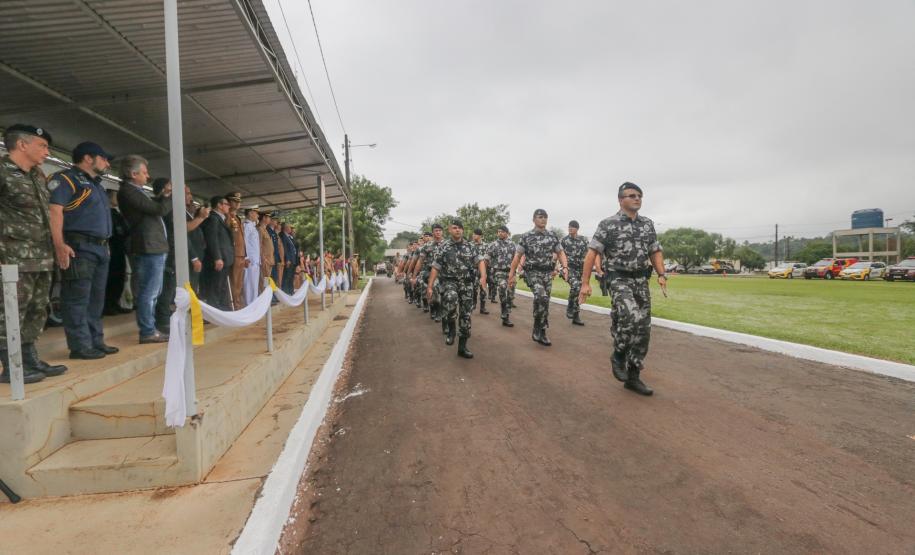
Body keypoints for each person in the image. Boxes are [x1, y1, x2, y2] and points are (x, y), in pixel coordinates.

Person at [579, 182, 667, 396]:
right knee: (632, 317)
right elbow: (591, 254)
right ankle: (618, 354)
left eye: (639, 195)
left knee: (644, 330)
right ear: (620, 200)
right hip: (619, 279)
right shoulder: (608, 224)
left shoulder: (647, 224)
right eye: (631, 195)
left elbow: (654, 251)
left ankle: (633, 376)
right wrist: (585, 283)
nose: (636, 198)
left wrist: (662, 274)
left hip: (641, 281)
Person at [0, 124, 67, 384]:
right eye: (43, 145)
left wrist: (58, 244)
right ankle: (10, 365)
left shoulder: (38, 175)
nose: (47, 152)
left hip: (40, 256)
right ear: (22, 144)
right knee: (10, 310)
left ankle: (29, 358)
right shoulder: (2, 172)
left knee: (37, 308)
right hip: (12, 256)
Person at [48, 141, 118, 359]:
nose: (107, 163)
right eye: (104, 158)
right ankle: (80, 345)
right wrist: (59, 244)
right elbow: (55, 211)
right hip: (79, 246)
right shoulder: (65, 179)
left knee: (96, 298)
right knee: (77, 298)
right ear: (89, 158)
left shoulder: (95, 184)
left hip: (99, 247)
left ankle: (95, 341)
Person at [117, 154, 171, 344]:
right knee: (149, 292)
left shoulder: (136, 191)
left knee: (153, 291)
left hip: (154, 246)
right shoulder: (128, 192)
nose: (147, 176)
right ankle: (148, 330)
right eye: (144, 172)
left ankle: (151, 328)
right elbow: (158, 210)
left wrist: (161, 198)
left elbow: (152, 207)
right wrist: (165, 196)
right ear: (133, 173)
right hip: (148, 247)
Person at [427, 219, 486, 359]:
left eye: (460, 228)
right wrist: (430, 286)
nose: (457, 230)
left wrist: (483, 276)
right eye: (454, 228)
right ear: (449, 230)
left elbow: (480, 261)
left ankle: (462, 347)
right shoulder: (444, 247)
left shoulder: (471, 247)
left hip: (466, 284)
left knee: (466, 315)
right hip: (449, 282)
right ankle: (451, 329)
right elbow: (436, 267)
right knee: (450, 300)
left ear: (463, 230)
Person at [508, 208, 568, 346]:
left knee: (544, 302)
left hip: (547, 274)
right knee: (541, 296)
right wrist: (512, 274)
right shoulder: (526, 236)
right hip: (532, 272)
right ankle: (538, 327)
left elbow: (561, 253)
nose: (543, 219)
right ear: (534, 219)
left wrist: (565, 267)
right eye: (540, 217)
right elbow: (517, 256)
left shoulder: (552, 236)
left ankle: (541, 329)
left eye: (545, 217)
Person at [200, 196, 234, 310]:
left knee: (221, 285)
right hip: (218, 259)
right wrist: (217, 257)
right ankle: (214, 311)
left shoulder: (220, 218)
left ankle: (222, 308)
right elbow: (212, 239)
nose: (228, 206)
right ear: (219, 205)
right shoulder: (213, 218)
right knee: (215, 286)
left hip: (224, 258)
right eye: (226, 204)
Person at [104, 188, 131, 315]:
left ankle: (115, 303)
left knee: (119, 277)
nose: (117, 199)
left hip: (120, 248)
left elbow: (126, 230)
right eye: (115, 196)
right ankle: (107, 305)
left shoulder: (117, 214)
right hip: (110, 248)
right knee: (110, 277)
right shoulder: (105, 213)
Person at [486, 225, 517, 327]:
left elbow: (516, 258)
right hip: (498, 272)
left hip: (511, 273)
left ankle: (506, 314)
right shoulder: (493, 245)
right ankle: (505, 314)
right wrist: (484, 272)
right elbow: (487, 258)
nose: (500, 233)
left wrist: (516, 273)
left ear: (507, 233)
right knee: (503, 288)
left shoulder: (513, 245)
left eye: (502, 231)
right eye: (498, 231)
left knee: (510, 295)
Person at [561, 220, 590, 326]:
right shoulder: (564, 240)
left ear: (577, 229)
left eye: (572, 227)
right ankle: (570, 306)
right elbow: (559, 254)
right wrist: (556, 269)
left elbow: (588, 255)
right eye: (569, 227)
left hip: (580, 270)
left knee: (579, 291)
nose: (570, 229)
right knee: (576, 286)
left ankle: (576, 316)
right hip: (569, 269)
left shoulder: (583, 240)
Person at [184, 187, 209, 294]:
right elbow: (186, 234)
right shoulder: (182, 215)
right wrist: (194, 257)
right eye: (188, 194)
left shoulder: (190, 216)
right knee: (190, 286)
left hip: (197, 254)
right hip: (190, 256)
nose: (191, 198)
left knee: (194, 285)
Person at [226, 192, 248, 309]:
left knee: (239, 281)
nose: (238, 203)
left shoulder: (237, 218)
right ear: (229, 202)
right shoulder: (227, 216)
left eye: (239, 201)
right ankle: (234, 305)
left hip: (241, 254)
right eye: (235, 201)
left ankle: (238, 303)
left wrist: (245, 255)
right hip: (234, 253)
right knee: (234, 281)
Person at [242, 207, 261, 304]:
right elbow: (244, 242)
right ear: (250, 213)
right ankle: (249, 305)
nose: (258, 215)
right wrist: (246, 257)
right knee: (249, 284)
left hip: (255, 260)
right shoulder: (246, 226)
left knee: (254, 284)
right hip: (250, 260)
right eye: (256, 213)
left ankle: (254, 304)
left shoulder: (252, 226)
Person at [470, 229, 490, 315]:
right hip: (472, 269)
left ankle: (482, 307)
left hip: (483, 270)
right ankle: (473, 304)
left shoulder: (486, 245)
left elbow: (488, 257)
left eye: (475, 234)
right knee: (473, 288)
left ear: (480, 236)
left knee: (483, 288)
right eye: (473, 234)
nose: (473, 236)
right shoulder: (470, 245)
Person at [257, 211, 275, 293]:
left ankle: (266, 297)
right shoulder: (260, 229)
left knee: (267, 280)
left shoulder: (265, 229)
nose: (270, 219)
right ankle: (263, 298)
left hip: (269, 259)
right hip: (265, 260)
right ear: (264, 218)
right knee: (263, 281)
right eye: (268, 217)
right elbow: (259, 244)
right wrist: (263, 257)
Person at [280, 223, 298, 294]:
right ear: (285, 228)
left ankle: (290, 291)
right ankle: (286, 292)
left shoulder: (288, 237)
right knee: (287, 277)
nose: (291, 229)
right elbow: (285, 249)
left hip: (292, 259)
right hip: (289, 260)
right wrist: (287, 259)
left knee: (290, 277)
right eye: (289, 228)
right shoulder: (283, 236)